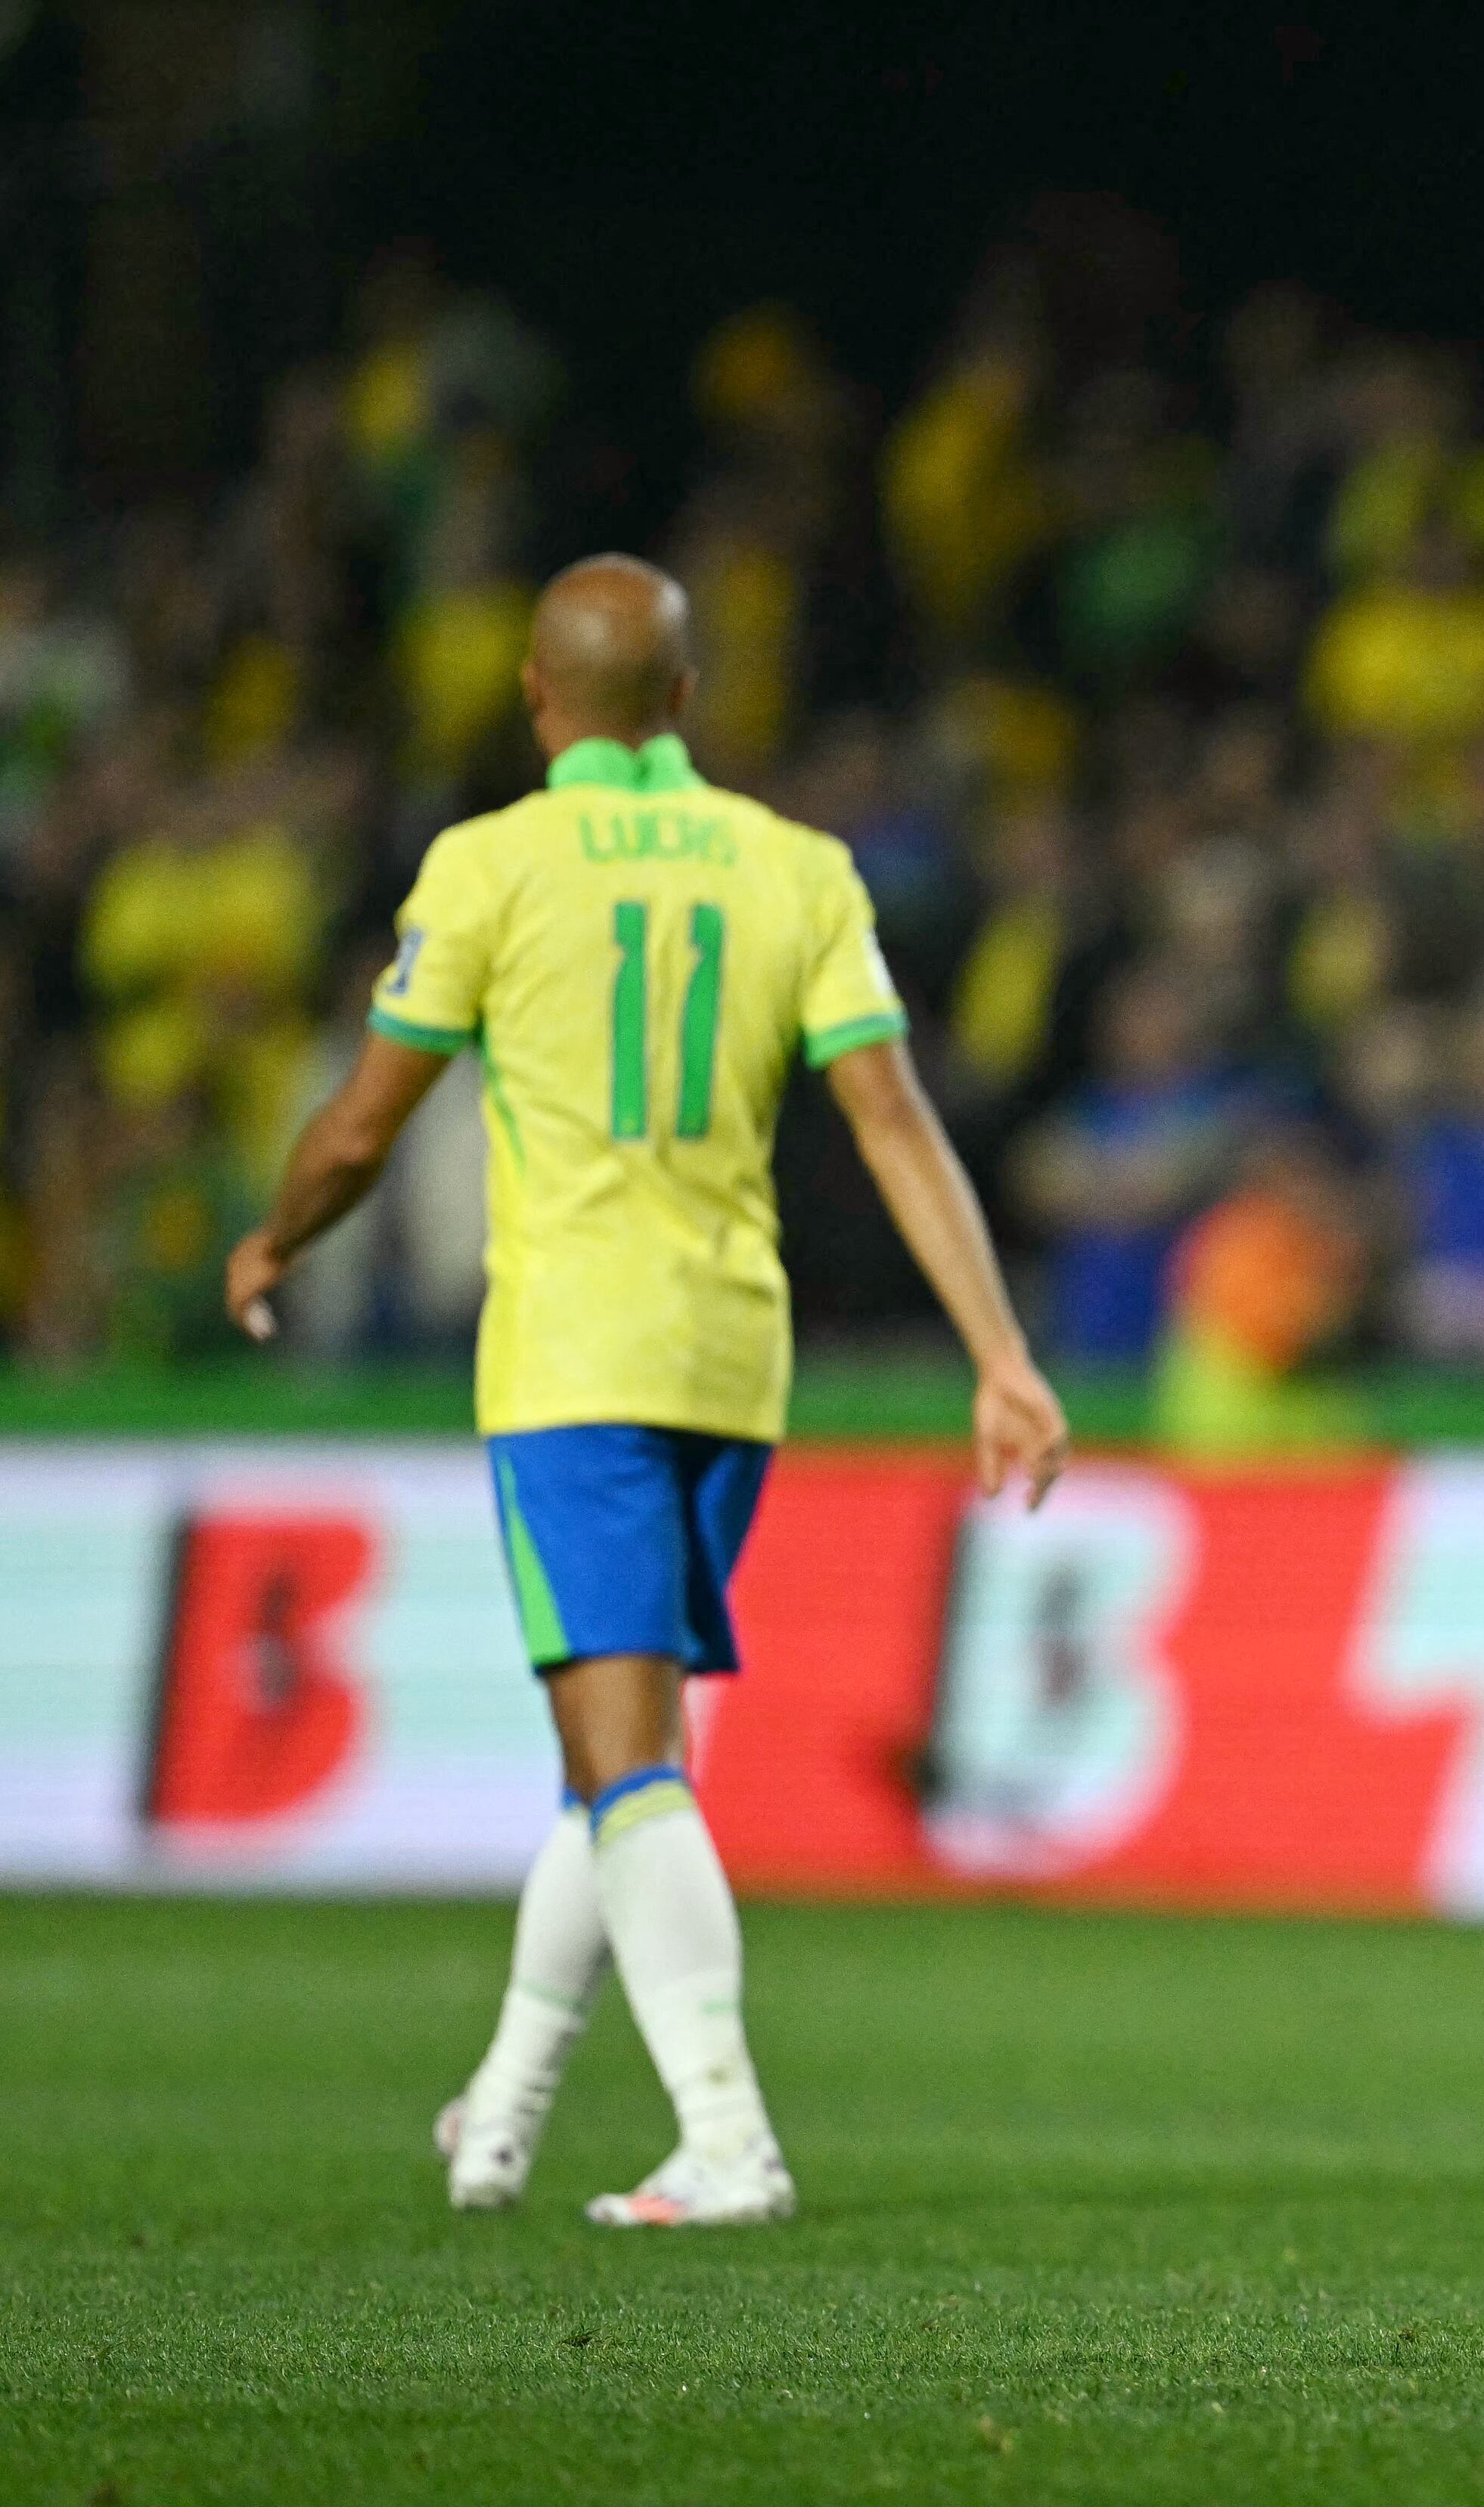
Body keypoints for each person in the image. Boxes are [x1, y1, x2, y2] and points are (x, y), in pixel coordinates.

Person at [224, 556, 1070, 2226]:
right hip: (732, 1360)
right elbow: (894, 1121)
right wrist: (999, 1349)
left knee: (625, 1766)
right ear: (685, 697)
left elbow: (362, 1127)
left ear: (535, 698)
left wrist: (274, 1240)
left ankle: (726, 2136)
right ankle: (506, 2108)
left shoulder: (489, 865)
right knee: (614, 1750)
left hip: (575, 1358)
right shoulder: (796, 866)